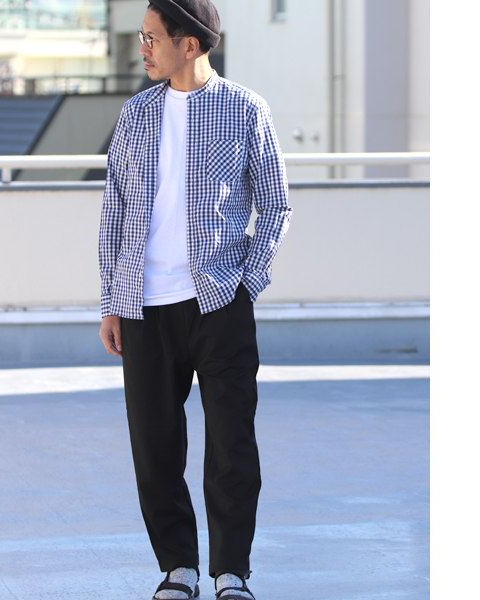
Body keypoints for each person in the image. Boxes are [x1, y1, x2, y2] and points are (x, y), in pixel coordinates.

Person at [98, 1, 292, 598]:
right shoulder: (135, 114)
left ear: (190, 44)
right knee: (155, 447)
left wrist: (246, 283)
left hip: (219, 303)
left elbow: (276, 204)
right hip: (144, 308)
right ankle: (178, 567)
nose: (143, 48)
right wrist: (111, 300)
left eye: (152, 37)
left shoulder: (245, 109)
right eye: (142, 35)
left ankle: (231, 572)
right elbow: (114, 212)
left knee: (232, 446)